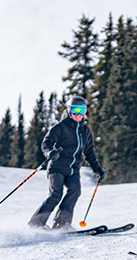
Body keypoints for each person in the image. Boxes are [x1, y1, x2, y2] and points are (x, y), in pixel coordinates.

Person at [28, 95, 107, 230]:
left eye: (81, 111)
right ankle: (36, 224)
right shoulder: (60, 127)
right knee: (55, 194)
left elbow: (89, 152)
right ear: (69, 111)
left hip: (73, 170)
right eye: (75, 110)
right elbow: (46, 143)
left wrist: (97, 169)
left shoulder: (85, 131)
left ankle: (61, 224)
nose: (78, 114)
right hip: (57, 168)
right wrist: (50, 153)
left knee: (75, 191)